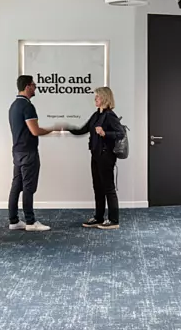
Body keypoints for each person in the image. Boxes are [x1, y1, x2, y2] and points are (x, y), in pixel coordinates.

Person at [68, 86, 125, 229]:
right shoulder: (96, 115)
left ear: (105, 98)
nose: (95, 99)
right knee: (97, 187)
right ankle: (98, 217)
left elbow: (120, 133)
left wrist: (105, 133)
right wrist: (65, 127)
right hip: (95, 155)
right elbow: (83, 129)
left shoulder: (110, 115)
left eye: (97, 97)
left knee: (108, 188)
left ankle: (113, 220)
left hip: (106, 156)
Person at [8, 75, 55, 232]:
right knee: (28, 187)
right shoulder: (27, 106)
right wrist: (51, 130)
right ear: (27, 87)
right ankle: (30, 222)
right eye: (34, 85)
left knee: (16, 186)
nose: (36, 88)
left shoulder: (14, 105)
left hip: (17, 151)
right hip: (28, 152)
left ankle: (14, 221)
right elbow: (35, 131)